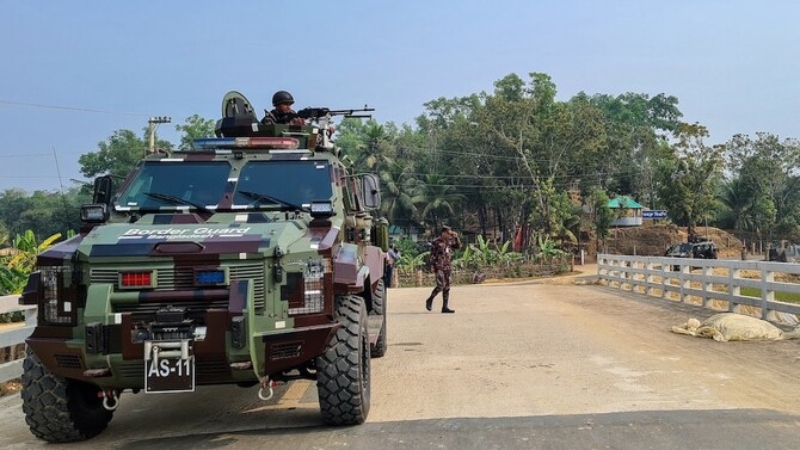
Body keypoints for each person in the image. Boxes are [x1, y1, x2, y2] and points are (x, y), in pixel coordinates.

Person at [424, 226, 461, 313]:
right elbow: (432, 255)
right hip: (439, 266)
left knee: (447, 287)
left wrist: (456, 237)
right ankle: (430, 299)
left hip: (447, 266)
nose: (449, 235)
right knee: (440, 285)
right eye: (448, 233)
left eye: (450, 233)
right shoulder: (436, 242)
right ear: (443, 233)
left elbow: (458, 246)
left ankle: (445, 307)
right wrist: (432, 266)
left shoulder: (450, 241)